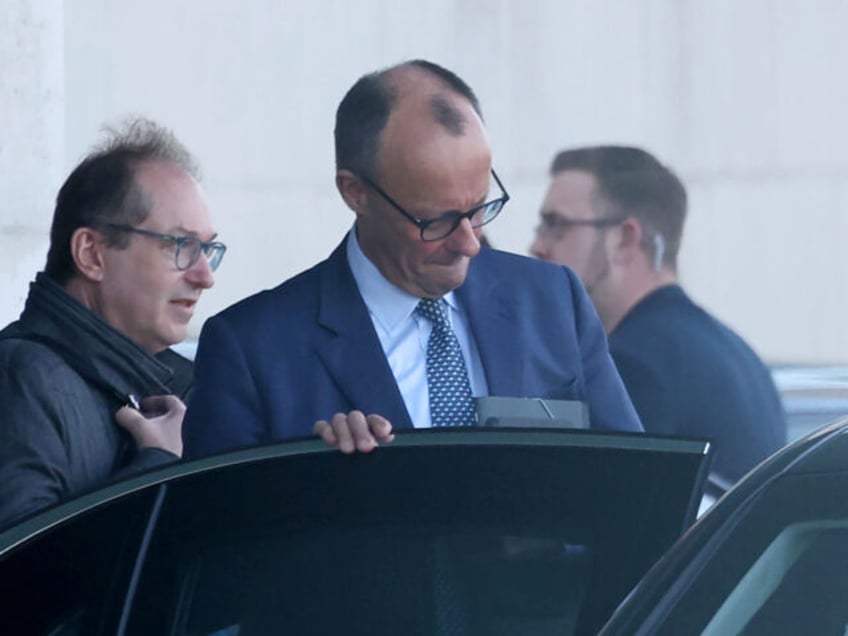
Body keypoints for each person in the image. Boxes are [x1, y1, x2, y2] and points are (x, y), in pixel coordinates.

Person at [183, 60, 641, 459]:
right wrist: (311, 481)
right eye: (436, 221)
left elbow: (633, 487)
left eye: (480, 207)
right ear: (355, 192)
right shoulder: (255, 350)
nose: (470, 243)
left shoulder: (552, 301)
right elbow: (211, 540)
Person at [0, 118, 226, 528]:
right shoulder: (23, 379)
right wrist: (156, 468)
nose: (204, 276)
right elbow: (22, 578)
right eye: (180, 246)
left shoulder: (184, 387)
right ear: (91, 254)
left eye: (207, 249)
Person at [530, 145, 786, 481]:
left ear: (624, 239)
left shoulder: (634, 363)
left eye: (556, 224)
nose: (537, 246)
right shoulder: (737, 354)